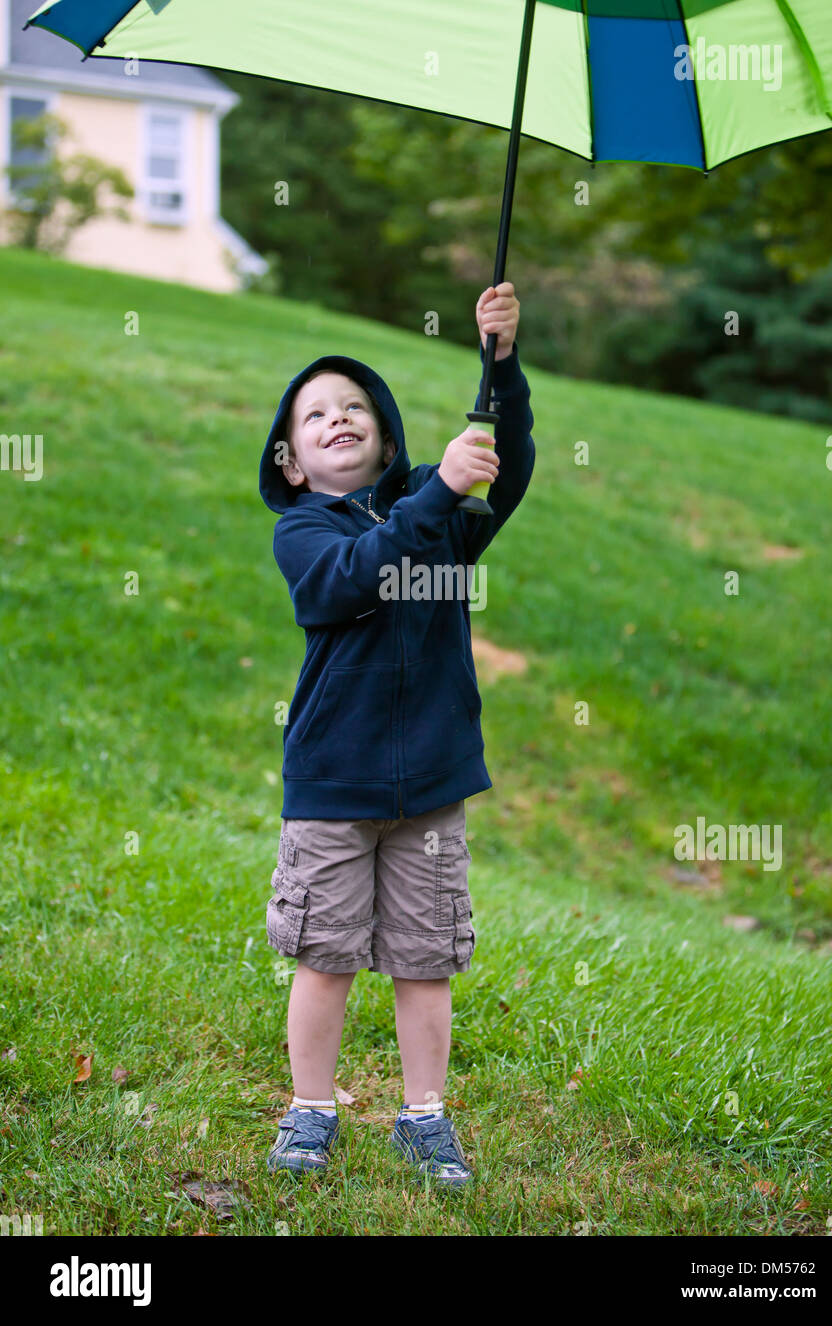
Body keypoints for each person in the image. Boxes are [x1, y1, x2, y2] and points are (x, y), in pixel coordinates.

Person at [257, 282, 534, 1190]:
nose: (339, 419)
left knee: (425, 959)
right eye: (316, 415)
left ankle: (425, 1118)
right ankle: (311, 1109)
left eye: (356, 407)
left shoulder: (438, 509)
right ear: (292, 459)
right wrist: (436, 497)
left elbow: (512, 467)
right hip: (335, 784)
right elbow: (350, 581)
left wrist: (502, 366)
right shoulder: (303, 532)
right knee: (325, 953)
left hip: (432, 786)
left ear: (386, 435)